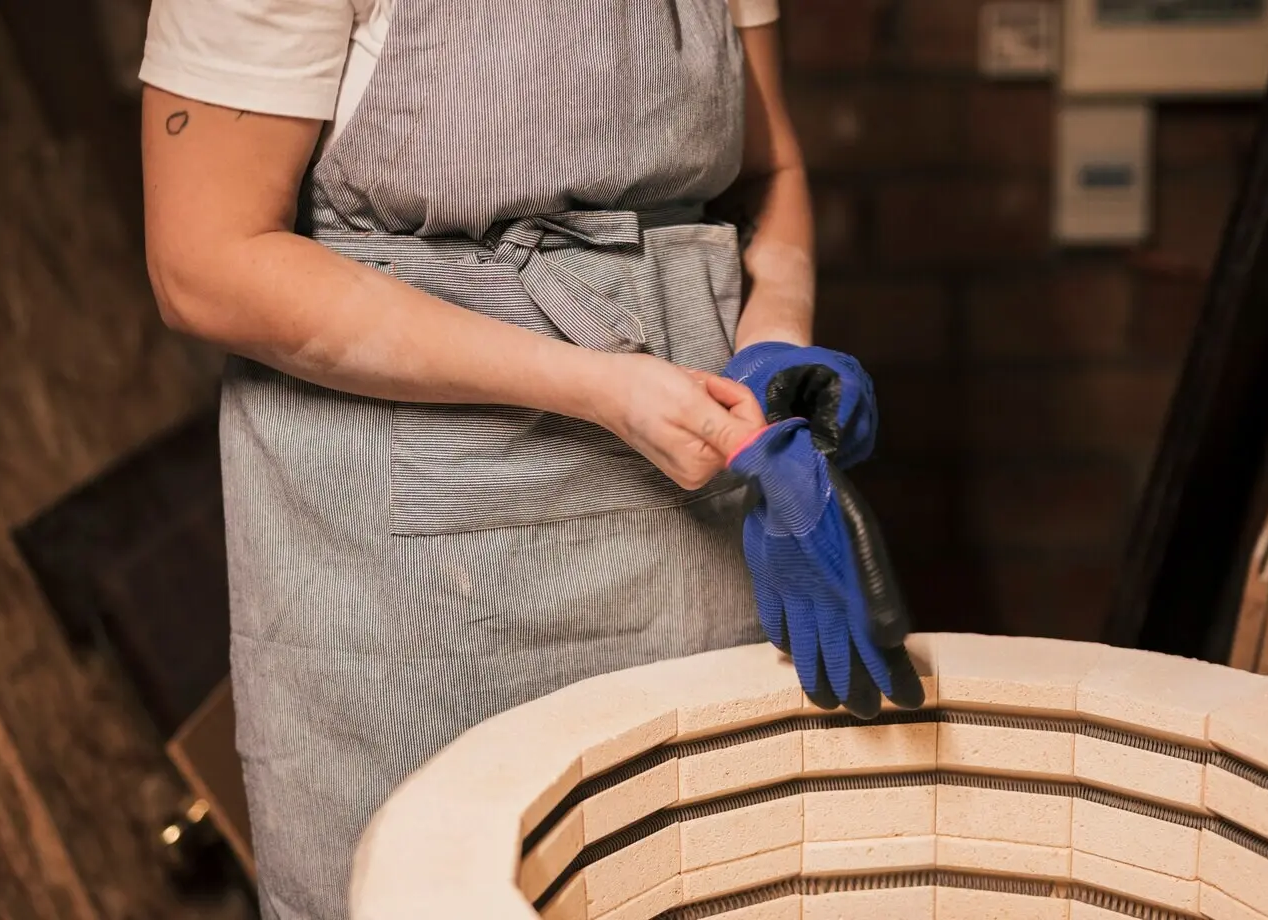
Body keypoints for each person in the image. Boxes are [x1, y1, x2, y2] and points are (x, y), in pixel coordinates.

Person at [138, 1, 837, 917]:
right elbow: (204, 264)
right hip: (411, 588)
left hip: (691, 532)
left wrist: (776, 336)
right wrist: (595, 387)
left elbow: (771, 166)